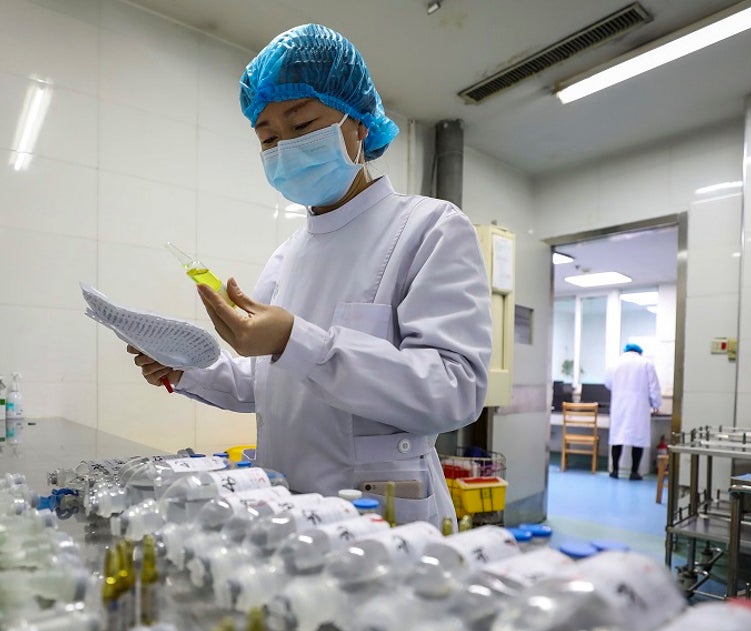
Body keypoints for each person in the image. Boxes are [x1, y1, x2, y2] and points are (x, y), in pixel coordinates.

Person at [128, 24, 492, 527]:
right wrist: (185, 368)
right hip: (285, 511)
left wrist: (296, 340)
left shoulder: (429, 228)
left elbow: (455, 390)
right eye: (270, 137)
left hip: (383, 517)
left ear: (359, 123)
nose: (286, 149)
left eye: (301, 127)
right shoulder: (288, 255)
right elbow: (274, 386)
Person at [604, 343, 662, 480]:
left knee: (617, 438)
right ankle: (634, 472)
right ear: (639, 352)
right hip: (639, 407)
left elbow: (607, 383)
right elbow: (654, 387)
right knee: (638, 440)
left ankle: (615, 471)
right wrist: (656, 403)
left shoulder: (614, 363)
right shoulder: (647, 363)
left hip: (620, 405)